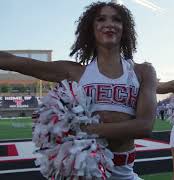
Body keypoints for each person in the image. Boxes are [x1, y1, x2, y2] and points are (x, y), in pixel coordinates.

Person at [0, 2, 157, 179]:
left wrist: (85, 130)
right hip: (84, 172)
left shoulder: (143, 71)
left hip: (124, 171)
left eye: (116, 20)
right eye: (101, 19)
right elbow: (14, 61)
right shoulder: (75, 72)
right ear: (91, 29)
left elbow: (144, 126)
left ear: (124, 28)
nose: (109, 24)